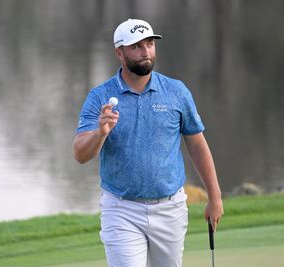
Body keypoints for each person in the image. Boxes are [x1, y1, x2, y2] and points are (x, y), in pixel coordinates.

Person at [73, 18, 223, 267]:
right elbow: (80, 154)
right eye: (137, 46)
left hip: (170, 209)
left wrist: (215, 197)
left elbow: (197, 145)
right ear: (119, 53)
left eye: (150, 44)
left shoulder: (176, 91)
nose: (146, 52)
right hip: (121, 210)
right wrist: (100, 132)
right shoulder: (100, 97)